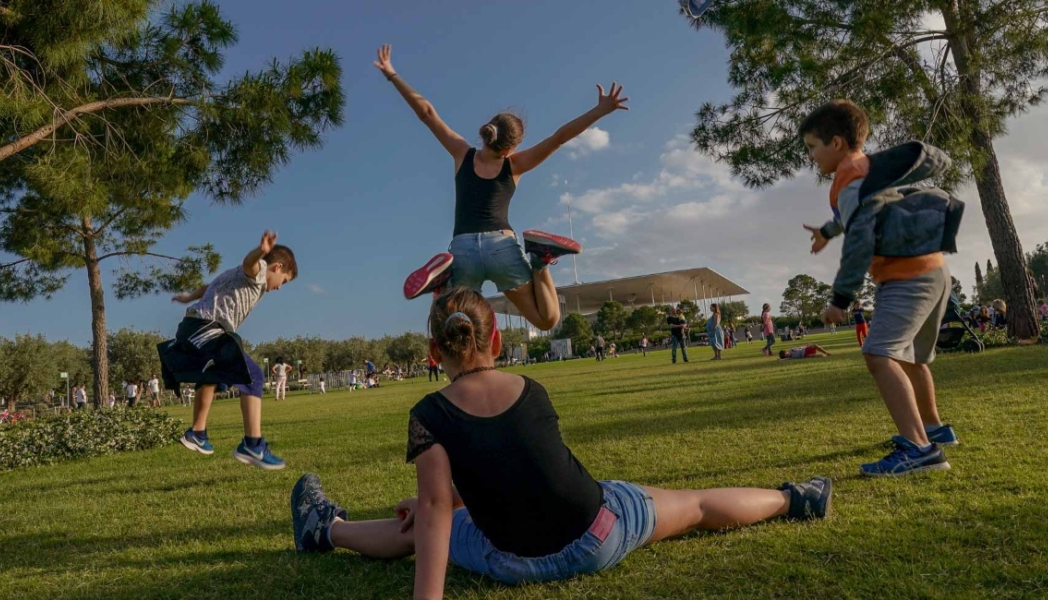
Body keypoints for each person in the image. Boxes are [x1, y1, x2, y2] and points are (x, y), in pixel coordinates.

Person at [287, 287, 833, 596]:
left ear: (434, 355)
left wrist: (443, 515)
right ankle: (794, 499)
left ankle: (326, 528)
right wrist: (447, 504)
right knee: (692, 504)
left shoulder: (429, 412)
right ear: (496, 339)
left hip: (509, 558)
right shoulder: (532, 388)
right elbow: (525, 467)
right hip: (596, 537)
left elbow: (433, 509)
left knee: (419, 527)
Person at [375, 44, 628, 331]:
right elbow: (559, 137)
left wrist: (392, 74)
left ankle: (441, 287)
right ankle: (541, 259)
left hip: (463, 252)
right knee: (547, 319)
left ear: (487, 132)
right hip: (501, 248)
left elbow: (427, 113)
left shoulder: (462, 154)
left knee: (449, 326)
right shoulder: (514, 165)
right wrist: (600, 110)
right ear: (510, 148)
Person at [800, 100, 958, 476]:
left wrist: (840, 299)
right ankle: (934, 429)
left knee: (878, 354)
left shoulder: (849, 178)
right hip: (935, 271)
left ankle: (921, 450)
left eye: (812, 147)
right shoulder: (868, 171)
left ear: (835, 142)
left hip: (905, 278)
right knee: (910, 358)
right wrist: (826, 231)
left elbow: (860, 237)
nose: (811, 156)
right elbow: (860, 213)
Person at [157, 230, 294, 470]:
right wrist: (261, 251)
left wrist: (188, 297)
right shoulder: (259, 273)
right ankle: (253, 444)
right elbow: (249, 264)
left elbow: (207, 287)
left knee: (212, 376)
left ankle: (197, 433)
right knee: (254, 376)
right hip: (206, 328)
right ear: (277, 267)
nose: (280, 288)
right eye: (284, 280)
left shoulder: (232, 277)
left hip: (193, 327)